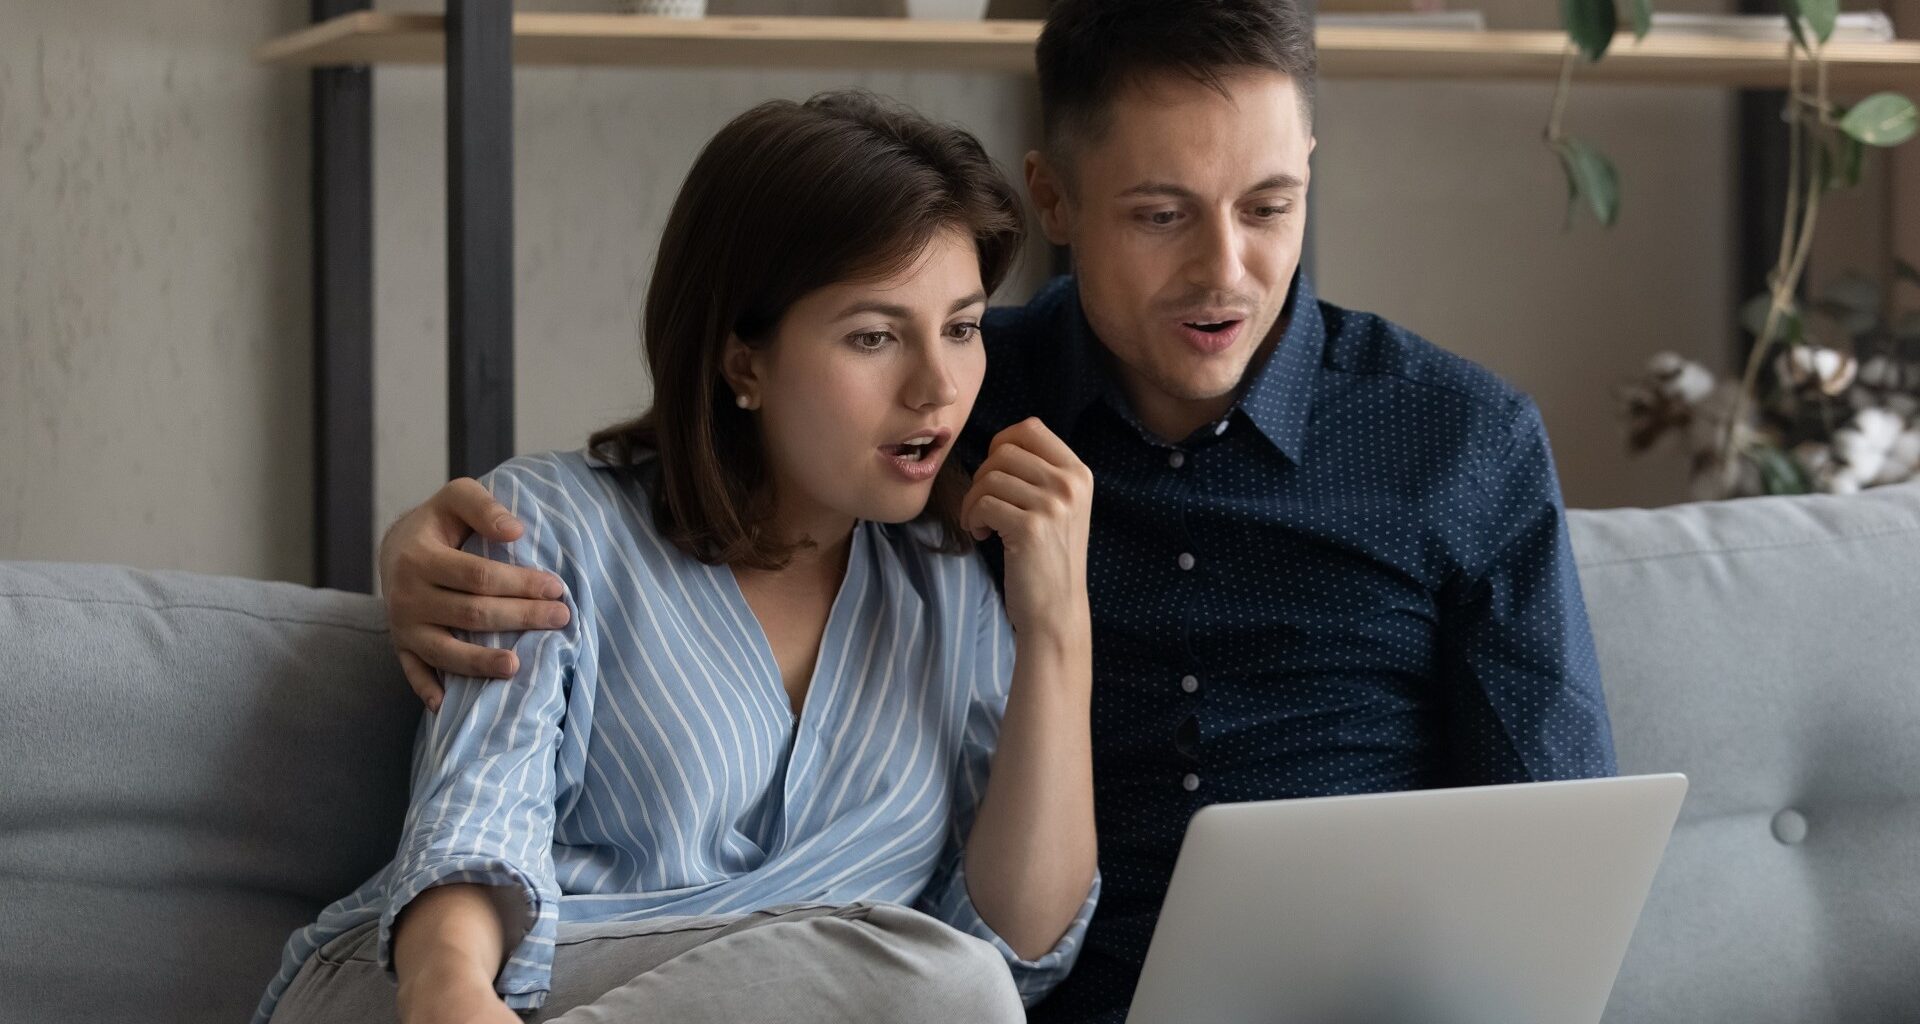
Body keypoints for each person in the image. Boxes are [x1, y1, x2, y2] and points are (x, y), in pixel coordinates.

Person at [377, 2, 1619, 1021]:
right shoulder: (952, 401)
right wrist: (417, 547)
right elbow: (719, 442)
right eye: (1160, 213)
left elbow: (1561, 847)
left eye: (1268, 206)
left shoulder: (1459, 438)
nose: (1225, 273)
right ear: (1056, 201)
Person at [256, 91, 1100, 1024]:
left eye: (962, 327)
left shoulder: (946, 584)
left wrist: (1057, 627)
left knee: (951, 979)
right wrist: (450, 992)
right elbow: (476, 816)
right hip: (460, 986)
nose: (938, 387)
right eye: (874, 336)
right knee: (937, 982)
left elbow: (1018, 950)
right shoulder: (548, 525)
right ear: (743, 361)